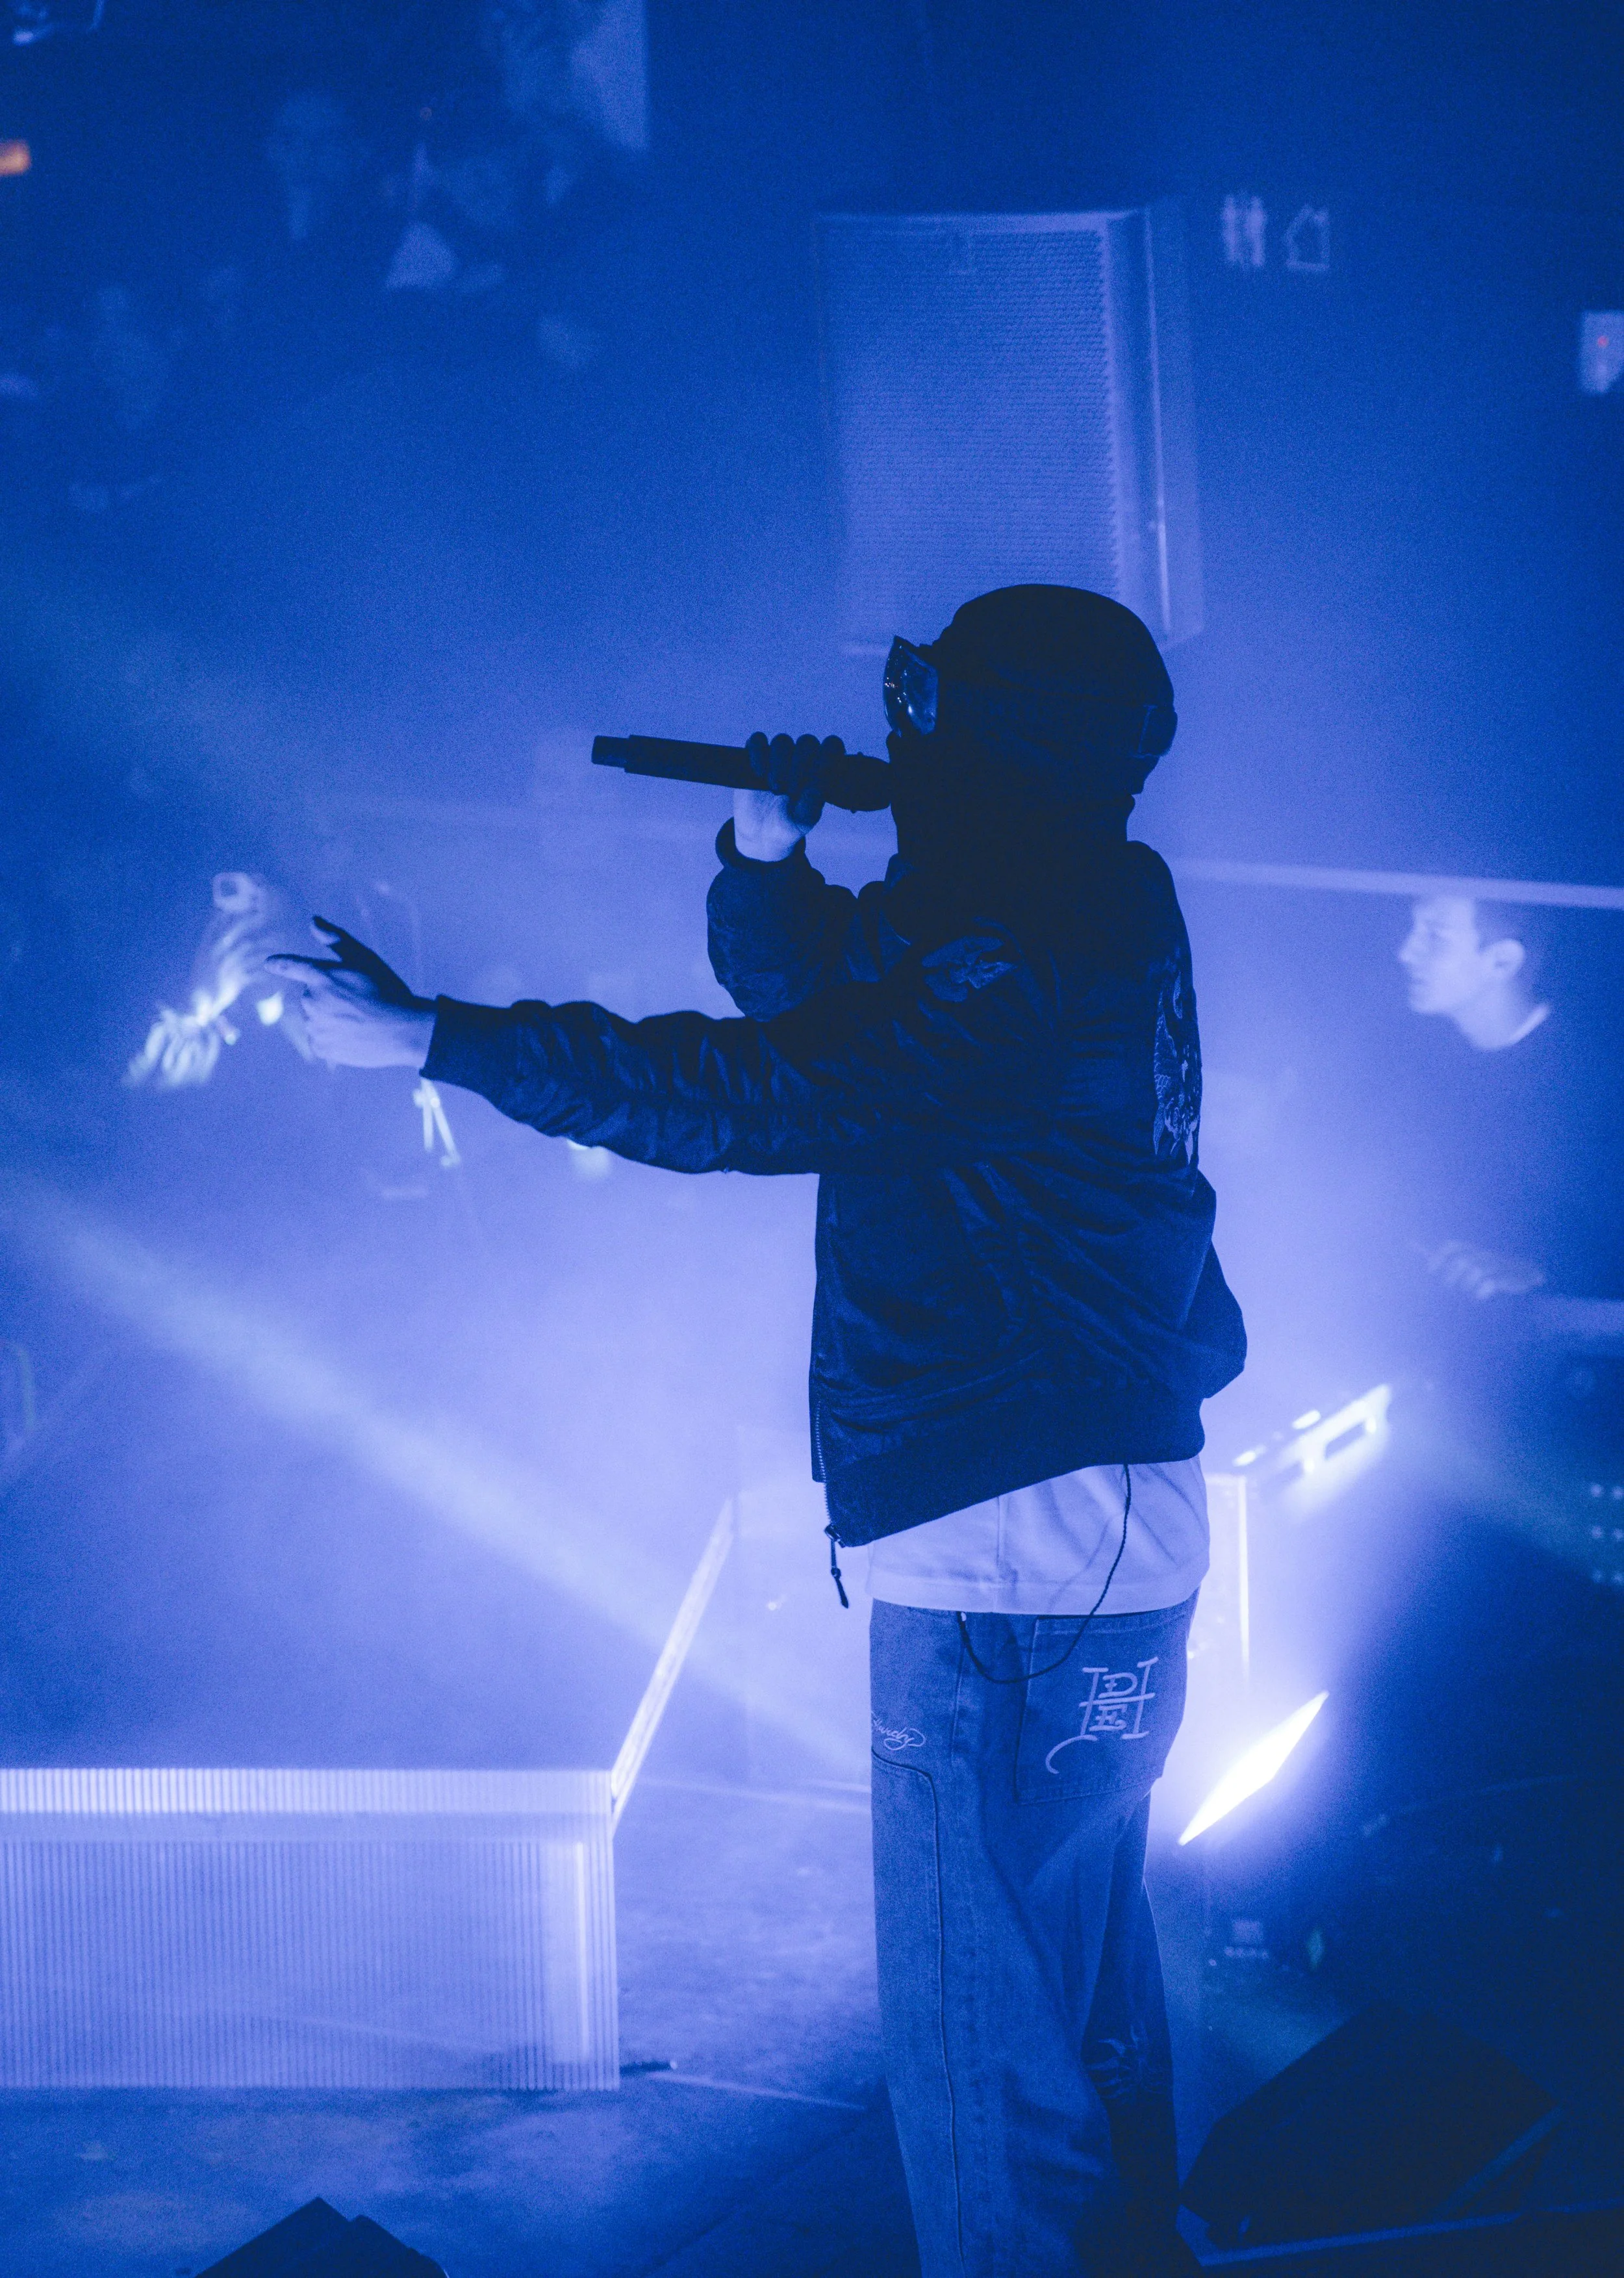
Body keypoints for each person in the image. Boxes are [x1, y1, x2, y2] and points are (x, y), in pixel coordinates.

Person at [272, 585, 1246, 2277]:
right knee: (1079, 2015)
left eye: (929, 706)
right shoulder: (1078, 894)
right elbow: (843, 1035)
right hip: (1098, 1529)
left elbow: (763, 1095)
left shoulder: (1012, 941)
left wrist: (437, 1039)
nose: (902, 735)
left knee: (982, 2066)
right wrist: (766, 855)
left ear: (990, 732)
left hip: (1001, 1540)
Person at [1396, 892, 1624, 1303]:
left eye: (1435, 937)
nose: (1405, 953)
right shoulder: (1410, 1069)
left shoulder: (1604, 1084)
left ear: (1502, 961)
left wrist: (1541, 1275)